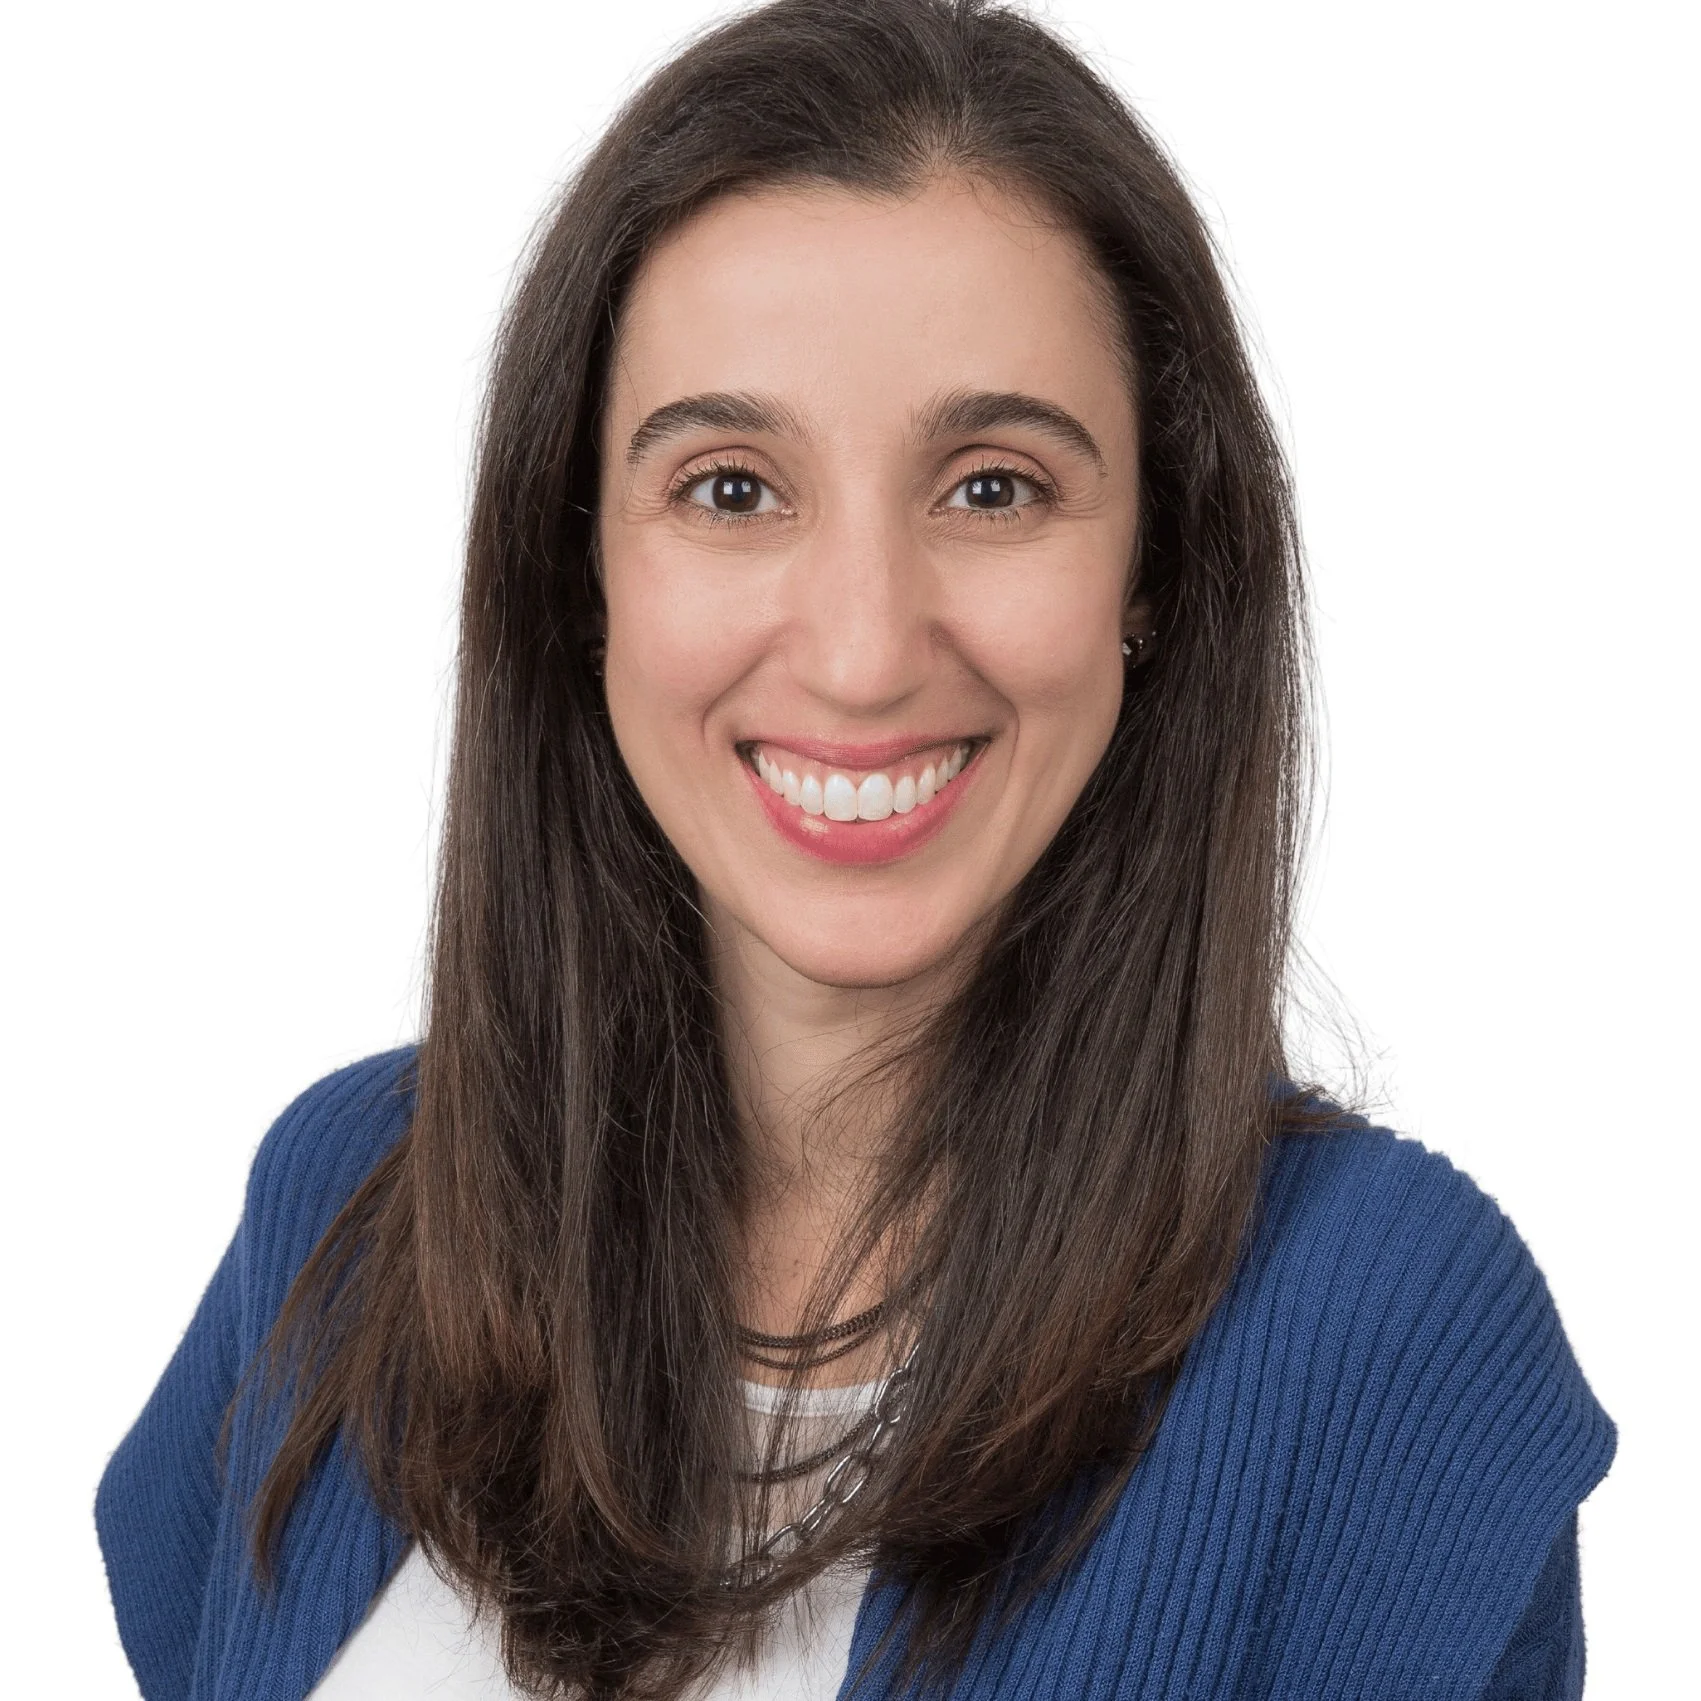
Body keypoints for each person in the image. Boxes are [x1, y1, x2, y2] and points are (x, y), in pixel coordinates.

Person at [94, 1, 1614, 1697]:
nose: (864, 650)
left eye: (993, 488)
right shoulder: (353, 1198)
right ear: (581, 569)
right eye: (733, 489)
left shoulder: (1383, 1336)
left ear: (1156, 572)